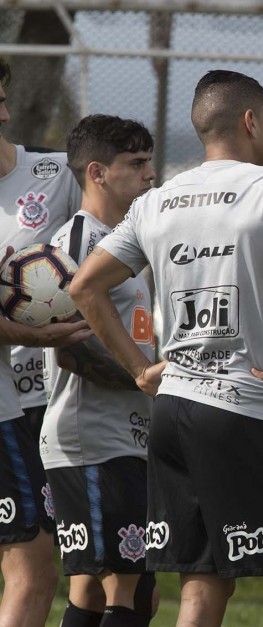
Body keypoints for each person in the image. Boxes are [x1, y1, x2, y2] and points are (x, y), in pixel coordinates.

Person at [68, 69, 263, 627]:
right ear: (251, 121)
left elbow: (83, 286)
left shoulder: (156, 202)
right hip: (249, 409)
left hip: (173, 414)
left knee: (202, 588)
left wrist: (142, 371)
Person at [41, 114, 158, 627]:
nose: (150, 174)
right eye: (136, 163)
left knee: (92, 590)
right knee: (131, 591)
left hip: (125, 438)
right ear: (97, 172)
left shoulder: (122, 241)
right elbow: (72, 351)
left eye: (150, 160)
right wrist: (150, 376)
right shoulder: (78, 244)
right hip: (93, 440)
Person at [0, 58, 92, 627]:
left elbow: (112, 247)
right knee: (33, 570)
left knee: (110, 574)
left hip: (62, 403)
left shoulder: (56, 174)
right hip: (6, 411)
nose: (4, 110)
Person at [0, 57, 83, 435]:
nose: (4, 115)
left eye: (2, 101)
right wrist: (29, 335)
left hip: (52, 396)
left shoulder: (58, 173)